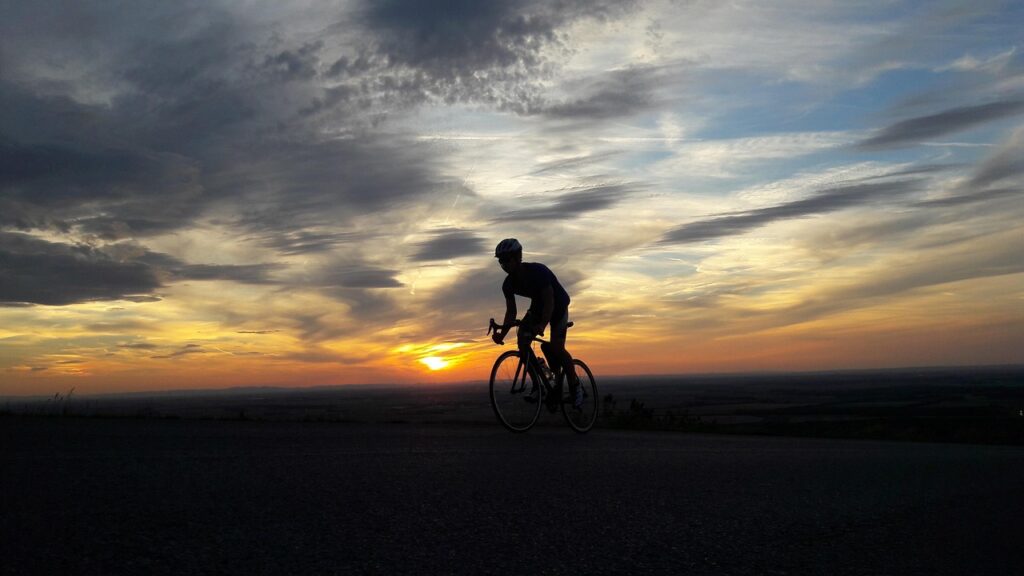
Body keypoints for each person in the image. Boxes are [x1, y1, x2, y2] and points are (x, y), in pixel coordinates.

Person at [490, 238, 582, 407]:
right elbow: (511, 312)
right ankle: (540, 383)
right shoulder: (508, 284)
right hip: (539, 307)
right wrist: (501, 334)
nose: (504, 264)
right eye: (501, 261)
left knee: (556, 348)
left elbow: (550, 301)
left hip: (558, 305)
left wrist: (542, 325)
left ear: (518, 257)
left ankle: (575, 387)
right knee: (523, 342)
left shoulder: (538, 272)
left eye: (507, 259)